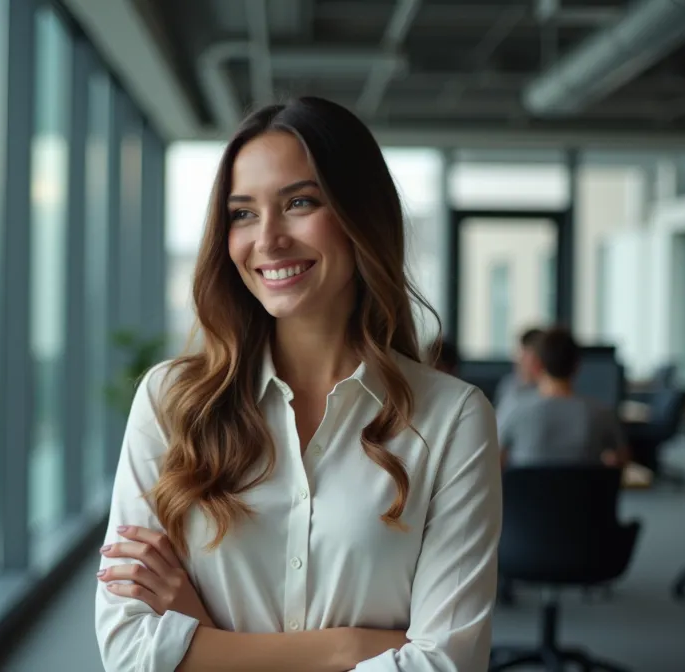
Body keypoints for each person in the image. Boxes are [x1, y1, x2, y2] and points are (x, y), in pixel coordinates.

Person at [94, 97, 501, 672]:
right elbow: (130, 652)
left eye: (299, 203)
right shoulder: (171, 402)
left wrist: (201, 635)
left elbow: (445, 665)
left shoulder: (452, 418)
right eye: (242, 213)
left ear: (363, 216)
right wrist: (350, 648)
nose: (268, 239)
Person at [498, 327, 630, 468]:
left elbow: (494, 460)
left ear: (537, 365)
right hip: (582, 490)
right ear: (577, 366)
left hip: (525, 490)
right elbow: (620, 460)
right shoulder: (602, 414)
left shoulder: (514, 409)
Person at [493, 327, 544, 425]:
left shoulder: (547, 393)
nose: (519, 360)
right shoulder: (509, 384)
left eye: (526, 356)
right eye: (520, 354)